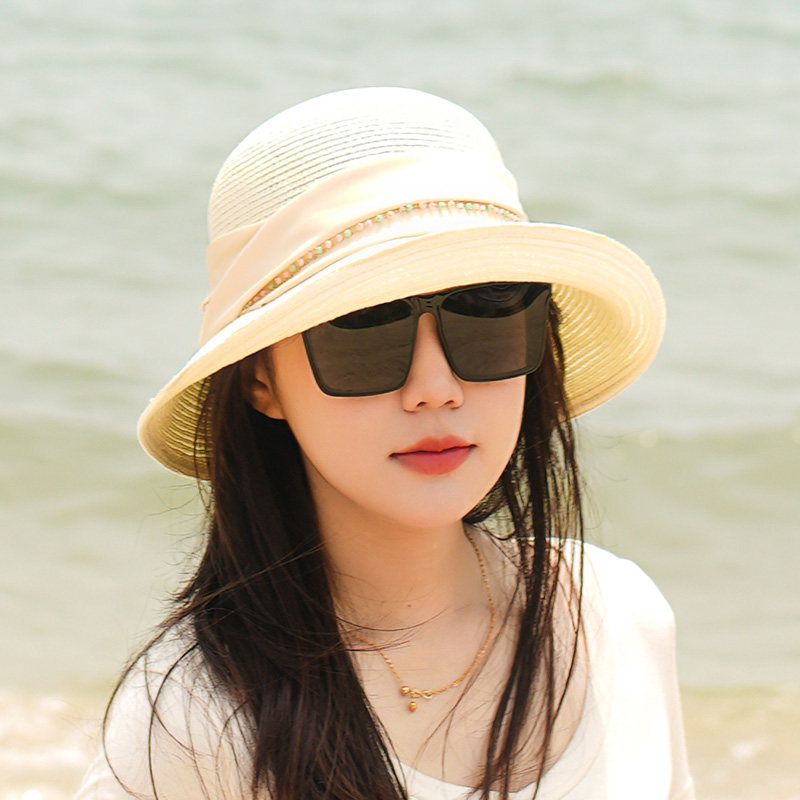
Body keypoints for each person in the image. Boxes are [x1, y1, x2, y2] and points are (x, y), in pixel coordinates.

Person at [75, 87, 694, 800]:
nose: (436, 387)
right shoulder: (194, 721)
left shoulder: (617, 619)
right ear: (261, 381)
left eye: (486, 316)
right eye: (366, 331)